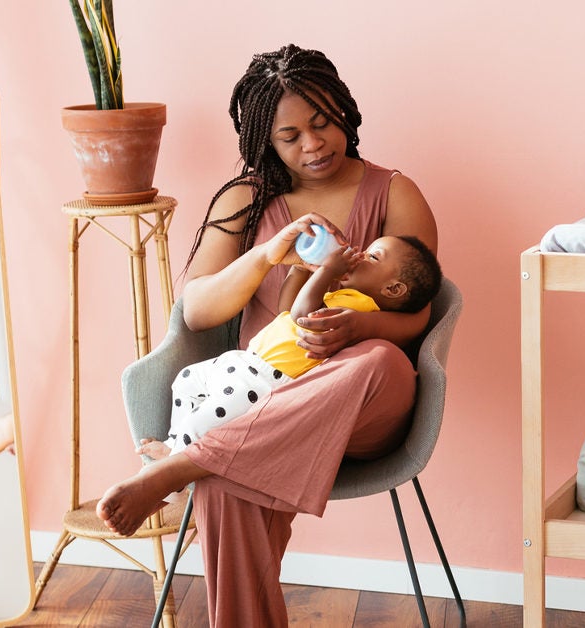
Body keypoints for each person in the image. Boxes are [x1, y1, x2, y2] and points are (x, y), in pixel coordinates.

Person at [95, 43, 438, 627]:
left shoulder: (394, 193)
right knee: (225, 477)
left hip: (365, 407)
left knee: (378, 359)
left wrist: (360, 325)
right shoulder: (245, 201)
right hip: (261, 404)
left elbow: (421, 312)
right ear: (264, 141)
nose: (313, 144)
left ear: (344, 112)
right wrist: (265, 255)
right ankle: (203, 463)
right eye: (290, 135)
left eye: (322, 122)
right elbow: (197, 312)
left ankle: (183, 462)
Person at [138, 234, 441, 459]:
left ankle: (173, 474)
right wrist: (303, 270)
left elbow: (301, 317)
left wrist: (325, 272)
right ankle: (174, 443)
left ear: (392, 289)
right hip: (246, 362)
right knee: (186, 379)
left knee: (201, 422)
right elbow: (286, 309)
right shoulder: (343, 297)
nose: (360, 255)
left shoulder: (359, 312)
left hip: (267, 382)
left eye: (374, 257)